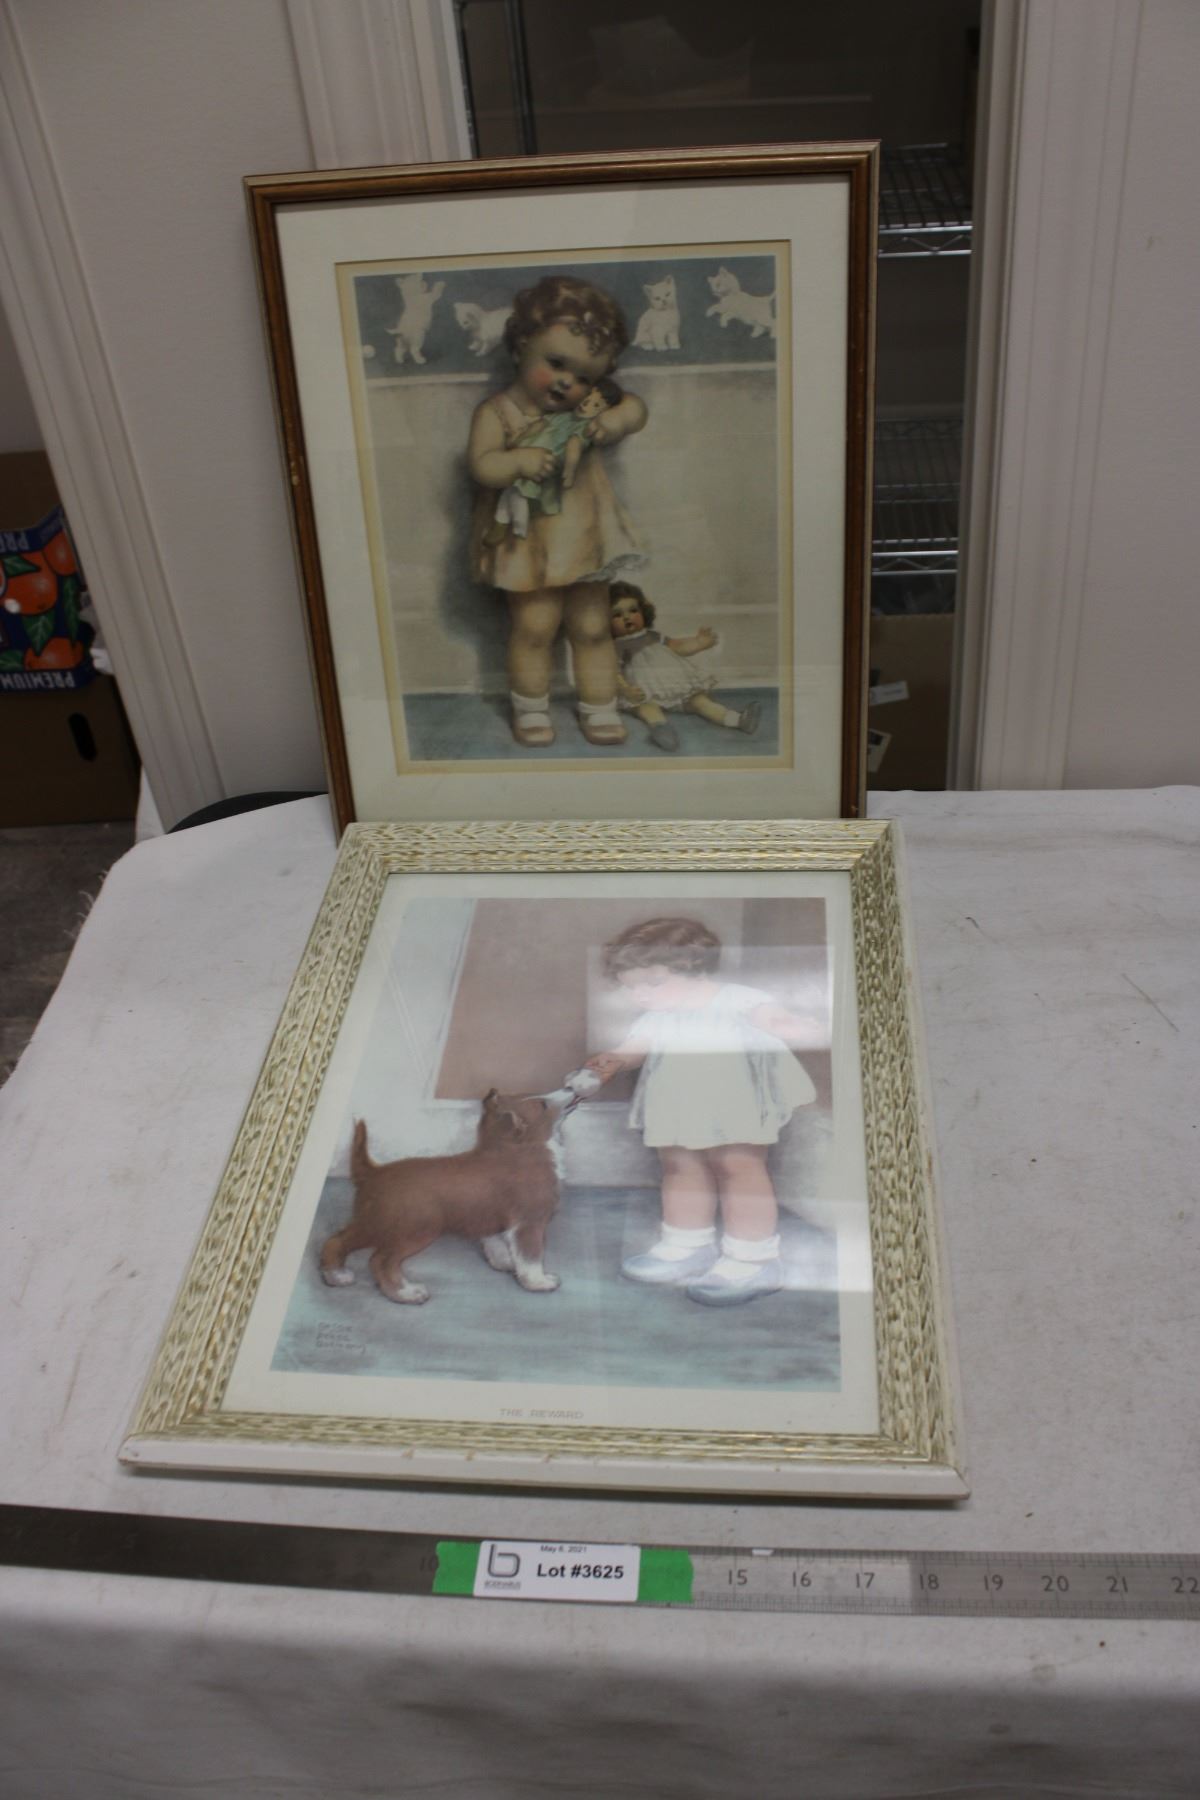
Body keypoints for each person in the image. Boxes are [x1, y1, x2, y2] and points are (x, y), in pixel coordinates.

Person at [565, 916, 815, 1306]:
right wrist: (608, 1063)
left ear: (693, 967)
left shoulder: (737, 999)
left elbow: (770, 1018)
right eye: (632, 987)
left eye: (653, 983)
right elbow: (634, 1050)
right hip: (679, 1102)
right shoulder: (657, 1016)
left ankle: (752, 1259)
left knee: (738, 1166)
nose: (641, 995)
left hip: (734, 1100)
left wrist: (788, 1024)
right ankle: (687, 1245)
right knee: (680, 1166)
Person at [467, 275, 648, 748]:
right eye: (556, 364)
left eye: (585, 376)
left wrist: (612, 421)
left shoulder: (586, 410)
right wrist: (516, 461)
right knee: (535, 626)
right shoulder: (497, 412)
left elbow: (635, 409)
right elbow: (482, 465)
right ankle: (530, 708)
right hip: (527, 544)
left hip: (585, 540)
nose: (569, 382)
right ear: (522, 345)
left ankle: (600, 705)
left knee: (592, 626)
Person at [609, 581, 761, 751]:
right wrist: (626, 689)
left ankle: (736, 719)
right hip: (644, 692)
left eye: (633, 610)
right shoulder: (616, 646)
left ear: (644, 611)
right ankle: (661, 729)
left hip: (675, 686)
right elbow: (613, 671)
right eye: (617, 615)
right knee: (647, 708)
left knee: (699, 702)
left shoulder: (653, 636)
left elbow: (678, 646)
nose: (627, 617)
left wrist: (699, 643)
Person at [484, 378, 623, 545]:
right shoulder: (563, 416)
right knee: (512, 489)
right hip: (526, 454)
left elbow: (573, 447)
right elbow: (539, 425)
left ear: (603, 412)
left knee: (518, 491)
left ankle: (516, 529)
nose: (586, 404)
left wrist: (569, 471)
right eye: (587, 397)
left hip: (543, 462)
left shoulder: (583, 428)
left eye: (595, 405)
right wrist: (520, 437)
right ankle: (507, 526)